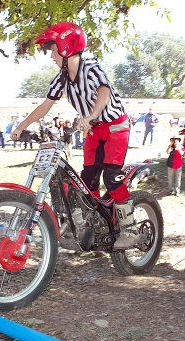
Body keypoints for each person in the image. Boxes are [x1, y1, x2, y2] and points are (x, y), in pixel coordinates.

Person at [11, 22, 136, 249]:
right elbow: (45, 105)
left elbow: (104, 91)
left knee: (111, 176)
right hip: (94, 131)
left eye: (53, 50)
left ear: (67, 48)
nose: (51, 56)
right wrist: (21, 126)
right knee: (86, 181)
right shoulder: (62, 78)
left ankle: (130, 229)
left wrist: (91, 115)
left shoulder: (90, 67)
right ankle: (96, 225)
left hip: (116, 126)